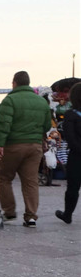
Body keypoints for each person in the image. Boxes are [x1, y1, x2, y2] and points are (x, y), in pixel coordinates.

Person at [0, 71, 52, 227]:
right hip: (34, 146)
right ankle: (31, 216)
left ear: (14, 83)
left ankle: (9, 211)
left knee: (4, 177)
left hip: (13, 145)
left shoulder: (10, 100)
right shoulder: (41, 102)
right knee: (31, 181)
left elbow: (4, 124)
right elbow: (46, 126)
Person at [56, 83, 80, 224]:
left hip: (77, 156)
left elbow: (70, 138)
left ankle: (68, 214)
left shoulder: (71, 114)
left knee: (73, 187)